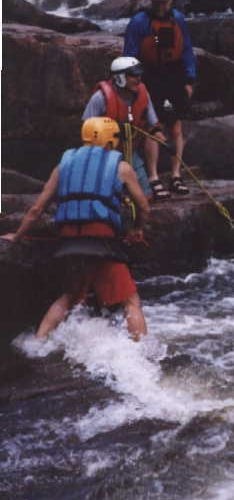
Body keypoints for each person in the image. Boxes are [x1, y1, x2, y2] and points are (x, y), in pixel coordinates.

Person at [1, 117, 151, 341]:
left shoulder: (64, 165)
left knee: (70, 296)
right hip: (102, 240)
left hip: (69, 240)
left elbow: (37, 209)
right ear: (110, 140)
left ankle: (39, 342)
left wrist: (18, 235)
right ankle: (143, 352)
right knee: (130, 300)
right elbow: (144, 206)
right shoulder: (122, 167)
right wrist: (137, 228)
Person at [123, 0, 197, 196]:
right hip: (149, 76)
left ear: (170, 1)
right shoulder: (140, 22)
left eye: (164, 2)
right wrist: (132, 82)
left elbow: (187, 51)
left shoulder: (178, 20)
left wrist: (189, 80)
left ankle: (176, 175)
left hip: (173, 76)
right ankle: (153, 176)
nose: (160, 6)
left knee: (175, 127)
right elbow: (129, 53)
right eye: (156, 2)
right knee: (153, 128)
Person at [82, 56, 169, 200]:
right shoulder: (100, 98)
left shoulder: (143, 93)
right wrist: (112, 130)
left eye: (139, 75)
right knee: (111, 198)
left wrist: (159, 134)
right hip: (105, 156)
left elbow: (153, 124)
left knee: (146, 196)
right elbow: (86, 128)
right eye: (133, 75)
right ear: (120, 77)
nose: (138, 79)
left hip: (130, 153)